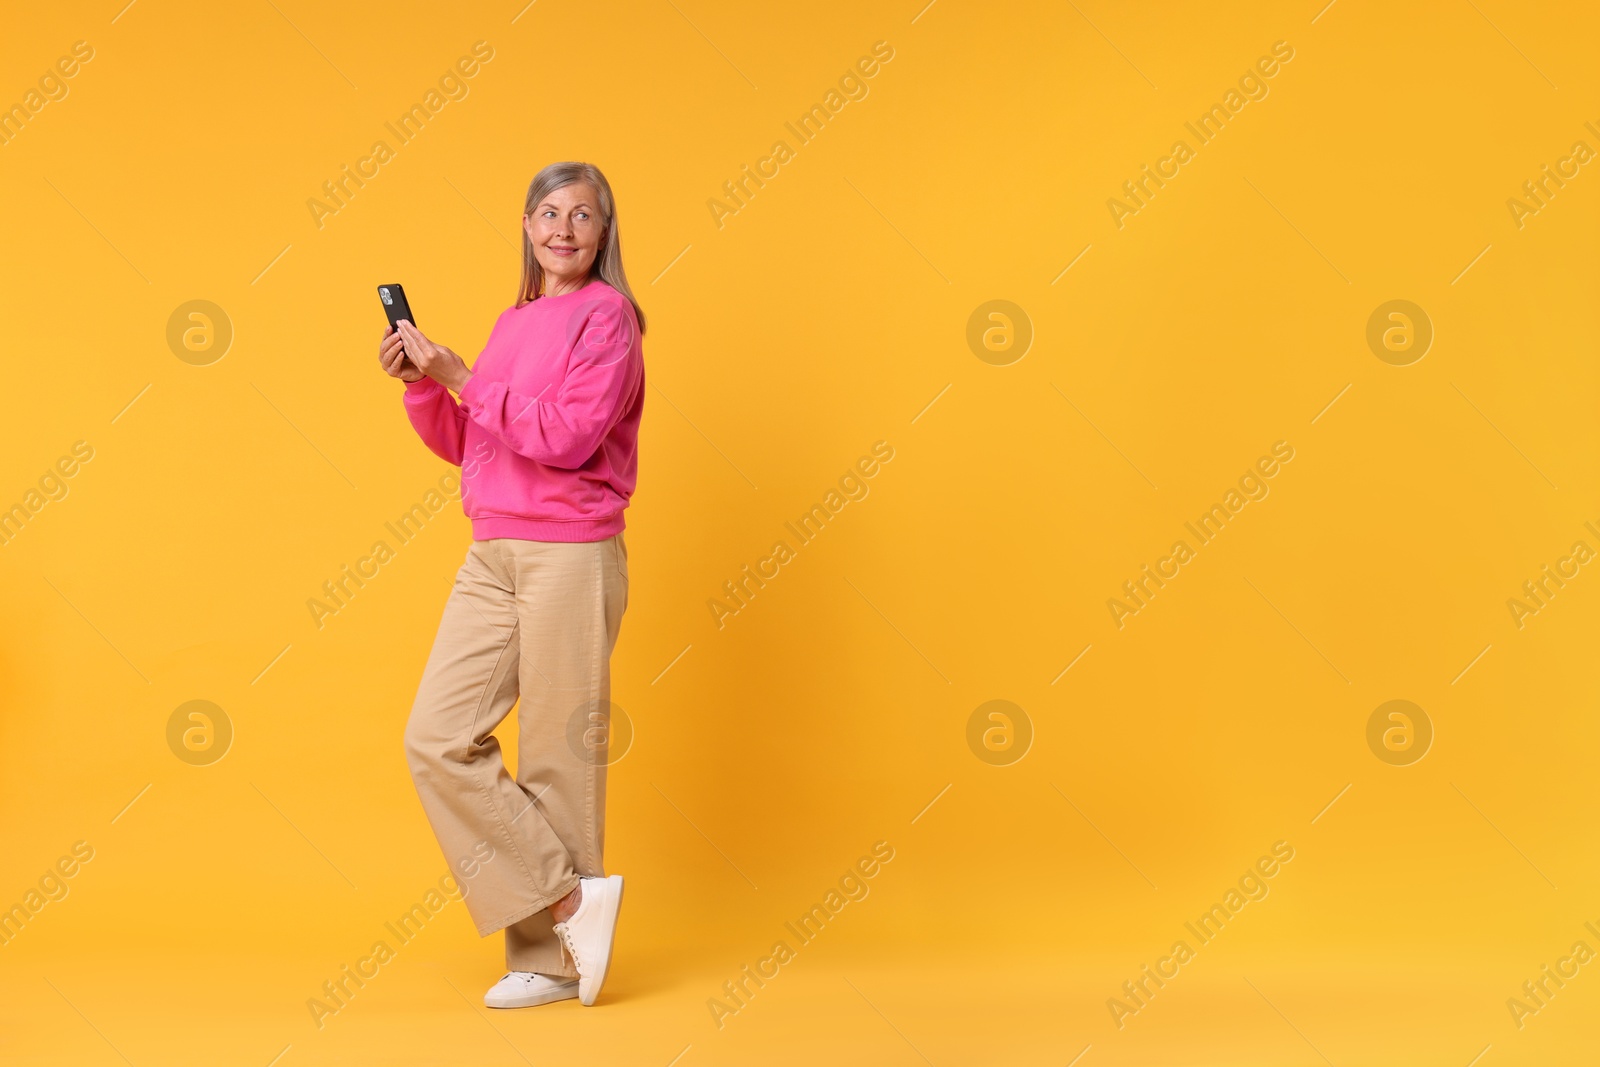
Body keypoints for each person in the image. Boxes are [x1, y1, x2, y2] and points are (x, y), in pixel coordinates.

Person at [376, 161, 646, 1009]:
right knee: (438, 735)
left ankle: (551, 961)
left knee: (559, 757)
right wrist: (426, 383)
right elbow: (476, 441)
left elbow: (564, 439)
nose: (563, 230)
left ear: (604, 234)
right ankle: (569, 901)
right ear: (526, 227)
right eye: (548, 214)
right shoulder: (514, 320)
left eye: (583, 216)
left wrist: (461, 376)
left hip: (570, 549)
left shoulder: (609, 321)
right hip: (492, 549)